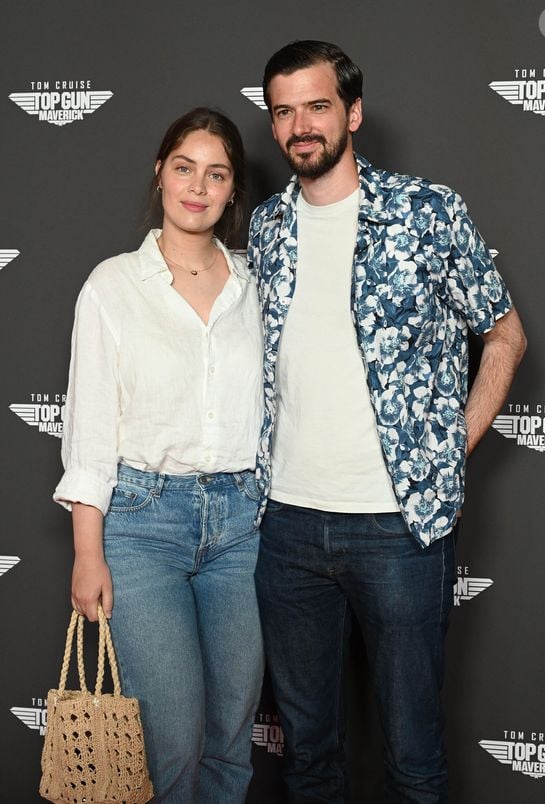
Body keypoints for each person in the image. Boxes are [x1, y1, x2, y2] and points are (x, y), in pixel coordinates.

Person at [248, 41, 527, 803]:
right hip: (288, 529)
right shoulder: (267, 228)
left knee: (412, 758)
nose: (300, 125)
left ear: (353, 112)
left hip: (399, 526)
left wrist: (451, 449)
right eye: (283, 111)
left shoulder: (426, 210)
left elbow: (505, 334)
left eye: (317, 105)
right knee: (307, 757)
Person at [54, 107, 264, 804]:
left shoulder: (258, 287)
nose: (198, 187)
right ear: (160, 174)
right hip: (144, 527)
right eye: (184, 168)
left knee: (232, 742)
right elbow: (89, 430)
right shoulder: (112, 286)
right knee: (174, 743)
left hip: (243, 527)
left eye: (217, 174)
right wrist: (89, 553)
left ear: (234, 191)